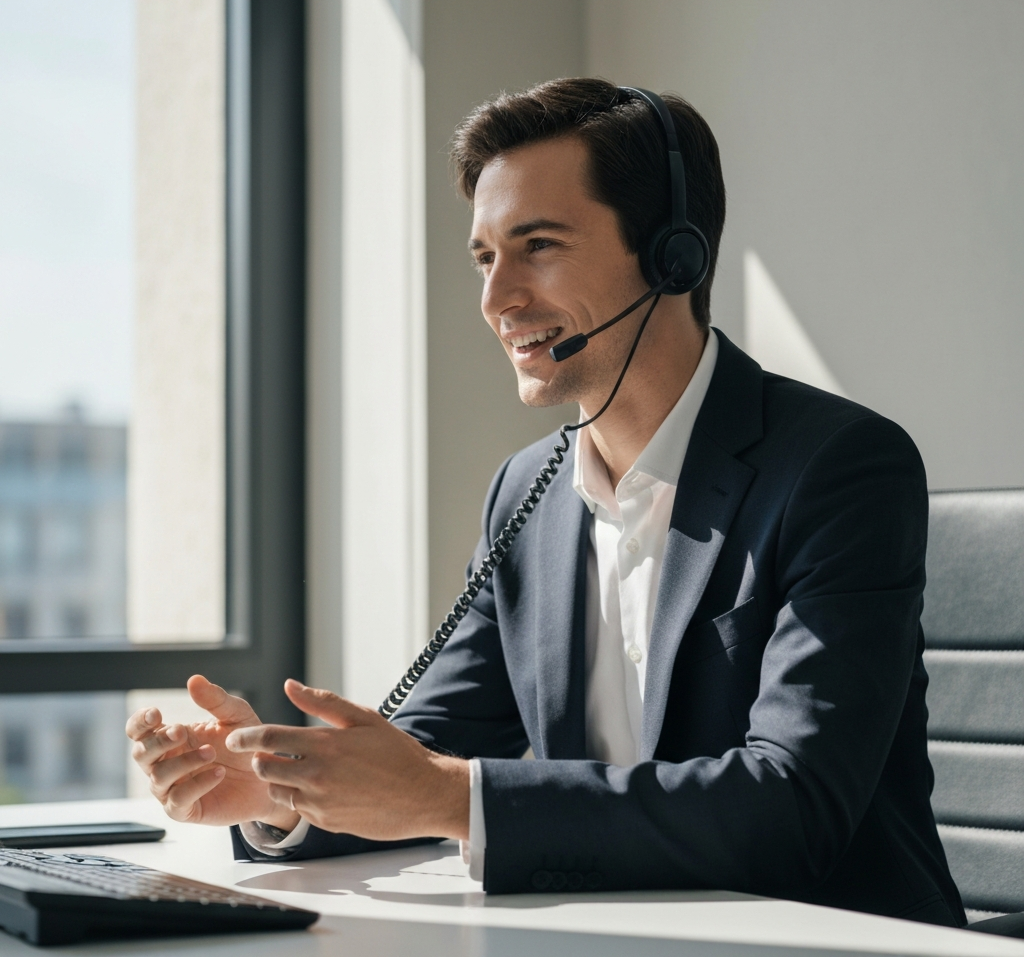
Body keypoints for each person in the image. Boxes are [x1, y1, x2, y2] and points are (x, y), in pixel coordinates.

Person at [126, 78, 965, 926]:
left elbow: (793, 805)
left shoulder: (839, 466)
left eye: (539, 246)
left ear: (675, 254)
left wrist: (451, 798)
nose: (497, 301)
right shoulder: (526, 492)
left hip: (836, 941)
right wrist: (283, 790)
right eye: (486, 257)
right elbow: (428, 756)